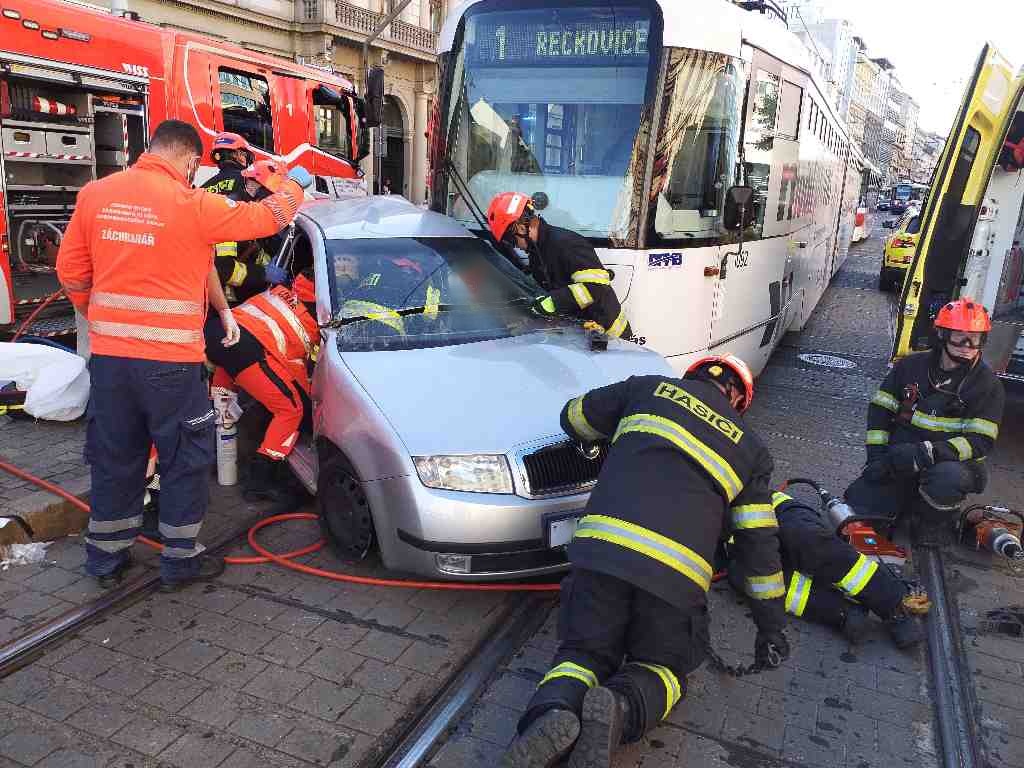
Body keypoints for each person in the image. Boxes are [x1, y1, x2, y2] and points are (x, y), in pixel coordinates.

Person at [57, 119, 312, 591]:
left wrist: (94, 315)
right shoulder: (193, 205)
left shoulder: (95, 194)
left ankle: (105, 559)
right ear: (191, 161)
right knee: (183, 459)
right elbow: (269, 218)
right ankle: (179, 560)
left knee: (116, 458)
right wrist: (295, 185)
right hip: (171, 366)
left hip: (111, 364)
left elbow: (70, 270)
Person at [502, 355, 788, 768]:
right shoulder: (751, 449)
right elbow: (759, 548)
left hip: (601, 552)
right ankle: (619, 707)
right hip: (674, 579)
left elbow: (575, 417)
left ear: (691, 374)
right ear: (740, 400)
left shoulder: (646, 388)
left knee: (582, 653)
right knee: (665, 668)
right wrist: (771, 628)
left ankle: (552, 714)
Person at [844, 298, 1004, 539]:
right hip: (902, 458)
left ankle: (931, 525)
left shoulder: (987, 385)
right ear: (941, 334)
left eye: (977, 338)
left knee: (946, 480)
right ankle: (902, 502)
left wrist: (928, 453)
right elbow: (880, 410)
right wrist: (877, 457)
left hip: (953, 465)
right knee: (858, 507)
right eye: (961, 336)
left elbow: (980, 441)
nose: (969, 345)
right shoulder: (910, 367)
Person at [725, 490, 924, 649]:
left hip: (771, 511)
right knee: (745, 577)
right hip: (740, 542)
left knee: (808, 541)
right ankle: (841, 612)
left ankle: (892, 603)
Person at [206, 268, 319, 501]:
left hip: (221, 331)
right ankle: (260, 478)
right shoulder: (324, 314)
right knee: (291, 409)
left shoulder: (288, 287)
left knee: (222, 406)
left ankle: (210, 456)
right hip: (248, 346)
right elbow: (295, 367)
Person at [485, 192, 631, 340]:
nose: (516, 247)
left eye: (511, 241)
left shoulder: (567, 244)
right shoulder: (538, 253)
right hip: (581, 336)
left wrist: (553, 302)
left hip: (611, 337)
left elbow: (596, 287)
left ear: (520, 228)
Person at [203, 132, 289, 303]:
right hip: (222, 294)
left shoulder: (205, 187)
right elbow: (224, 268)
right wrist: (263, 274)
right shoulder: (244, 183)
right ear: (239, 154)